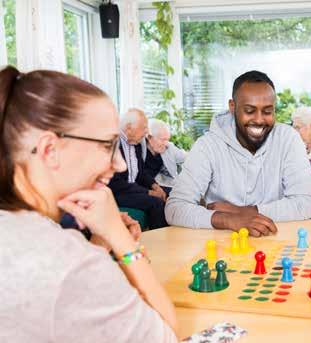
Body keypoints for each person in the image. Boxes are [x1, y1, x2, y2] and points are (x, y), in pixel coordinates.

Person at [0, 66, 178, 342]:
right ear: (50, 149)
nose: (119, 164)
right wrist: (121, 240)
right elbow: (164, 335)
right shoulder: (66, 262)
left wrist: (99, 239)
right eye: (107, 145)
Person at [165, 70, 311, 237]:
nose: (259, 120)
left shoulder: (288, 139)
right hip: (221, 246)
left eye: (267, 111)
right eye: (250, 111)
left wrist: (242, 211)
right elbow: (175, 208)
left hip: (276, 240)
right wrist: (229, 220)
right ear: (232, 107)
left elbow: (305, 203)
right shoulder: (207, 145)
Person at [108, 108, 168, 229]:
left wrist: (155, 186)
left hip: (133, 188)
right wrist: (148, 192)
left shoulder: (137, 144)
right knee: (156, 203)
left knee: (168, 193)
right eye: (144, 127)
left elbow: (141, 173)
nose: (146, 132)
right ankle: (159, 240)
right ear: (129, 128)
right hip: (118, 192)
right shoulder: (113, 143)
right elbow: (116, 183)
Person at [144, 119, 187, 195]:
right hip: (148, 187)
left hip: (167, 185)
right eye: (163, 139)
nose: (166, 143)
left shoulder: (168, 147)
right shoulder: (140, 150)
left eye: (167, 139)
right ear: (150, 138)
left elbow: (185, 156)